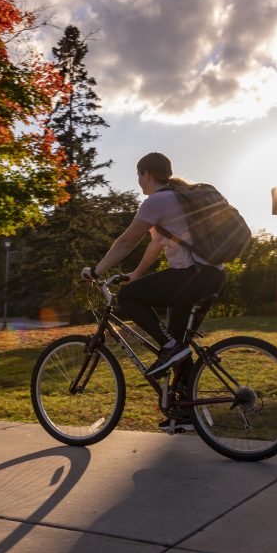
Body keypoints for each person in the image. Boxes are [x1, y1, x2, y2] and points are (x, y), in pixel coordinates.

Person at [81, 152, 227, 431]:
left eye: (139, 176)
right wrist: (135, 274)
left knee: (128, 298)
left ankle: (171, 350)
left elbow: (127, 241)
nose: (139, 182)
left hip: (190, 277)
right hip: (213, 276)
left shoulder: (156, 201)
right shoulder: (179, 198)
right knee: (179, 343)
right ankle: (184, 413)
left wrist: (96, 271)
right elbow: (155, 245)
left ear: (147, 174)